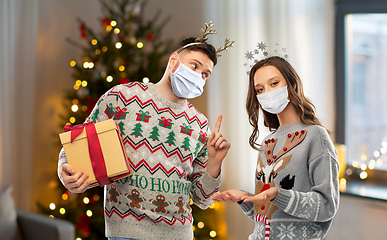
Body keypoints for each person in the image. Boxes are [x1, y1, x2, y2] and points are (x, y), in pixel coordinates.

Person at [58, 23, 233, 240]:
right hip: (125, 232)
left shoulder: (200, 124)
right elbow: (77, 142)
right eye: (195, 66)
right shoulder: (121, 97)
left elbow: (202, 199)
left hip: (178, 234)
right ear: (174, 60)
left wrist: (215, 164)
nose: (199, 76)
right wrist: (65, 171)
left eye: (205, 74)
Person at [211, 56, 339, 240]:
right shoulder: (267, 144)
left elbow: (326, 206)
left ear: (292, 84)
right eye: (260, 89)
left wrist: (278, 195)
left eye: (274, 83)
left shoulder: (315, 136)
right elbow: (266, 216)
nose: (267, 92)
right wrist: (245, 198)